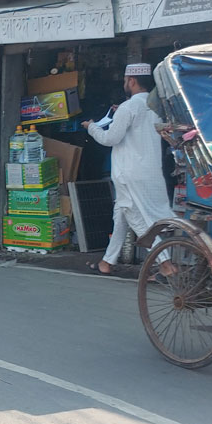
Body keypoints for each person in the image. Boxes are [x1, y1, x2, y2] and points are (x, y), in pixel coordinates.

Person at [82, 63, 177, 277]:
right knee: (122, 216)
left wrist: (92, 127)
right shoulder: (155, 107)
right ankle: (107, 262)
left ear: (131, 81)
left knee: (135, 217)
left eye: (126, 81)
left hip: (128, 173)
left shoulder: (128, 108)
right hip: (150, 171)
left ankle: (165, 263)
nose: (125, 84)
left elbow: (109, 139)